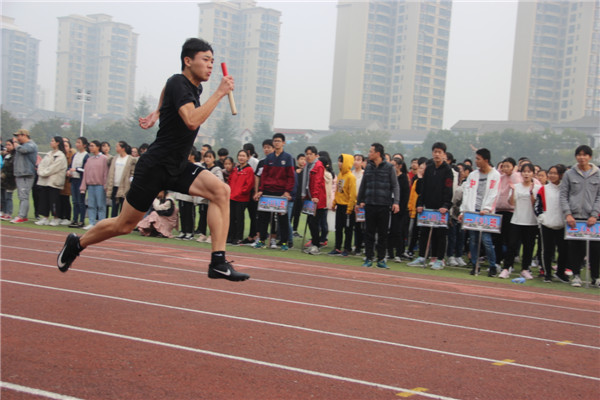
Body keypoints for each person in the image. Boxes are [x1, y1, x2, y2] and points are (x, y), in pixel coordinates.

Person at [57, 38, 249, 281]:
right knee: (124, 225)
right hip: (155, 166)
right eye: (205, 60)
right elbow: (191, 119)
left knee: (221, 191)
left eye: (212, 61)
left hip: (177, 166)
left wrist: (158, 110)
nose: (210, 66)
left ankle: (218, 262)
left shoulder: (192, 87)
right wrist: (220, 93)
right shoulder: (178, 82)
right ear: (188, 61)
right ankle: (77, 243)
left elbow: (167, 92)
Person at [560, 145, 600, 288]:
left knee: (595, 249)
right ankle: (576, 275)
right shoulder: (569, 174)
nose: (581, 157)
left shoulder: (598, 174)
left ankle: (595, 277)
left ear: (590, 157)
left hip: (593, 220)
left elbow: (599, 197)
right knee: (575, 249)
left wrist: (595, 215)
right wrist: (568, 214)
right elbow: (563, 195)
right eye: (579, 154)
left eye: (585, 155)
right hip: (574, 218)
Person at [408, 142, 453, 270]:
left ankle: (439, 259)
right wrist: (420, 204)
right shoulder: (429, 167)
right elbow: (423, 189)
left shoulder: (447, 170)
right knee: (424, 232)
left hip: (441, 208)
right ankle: (422, 256)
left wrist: (446, 205)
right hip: (427, 206)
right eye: (435, 152)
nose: (437, 154)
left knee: (440, 235)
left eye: (439, 152)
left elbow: (448, 189)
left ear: (444, 154)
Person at [356, 143, 400, 269]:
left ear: (378, 154)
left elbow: (395, 185)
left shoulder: (389, 167)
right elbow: (363, 185)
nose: (369, 154)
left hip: (384, 205)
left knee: (382, 234)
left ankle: (381, 259)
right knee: (368, 233)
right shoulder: (368, 167)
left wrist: (396, 202)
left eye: (371, 152)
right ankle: (369, 258)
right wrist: (359, 202)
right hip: (369, 204)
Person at [458, 148, 501, 276]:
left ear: (486, 160)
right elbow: (467, 193)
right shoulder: (473, 175)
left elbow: (495, 194)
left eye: (478, 159)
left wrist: (487, 209)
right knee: (473, 240)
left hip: (486, 213)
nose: (476, 161)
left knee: (486, 240)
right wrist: (464, 211)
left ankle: (493, 265)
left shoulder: (495, 175)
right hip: (472, 211)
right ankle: (475, 264)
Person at [499, 163, 541, 280]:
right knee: (512, 245)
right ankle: (507, 268)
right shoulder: (516, 186)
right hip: (516, 220)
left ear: (533, 173)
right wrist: (512, 191)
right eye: (524, 171)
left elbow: (536, 204)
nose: (526, 174)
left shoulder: (537, 187)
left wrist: (532, 192)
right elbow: (511, 203)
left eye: (529, 171)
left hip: (531, 222)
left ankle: (525, 269)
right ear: (521, 173)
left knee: (529, 247)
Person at [253, 133, 295, 250]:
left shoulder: (288, 158)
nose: (276, 143)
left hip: (281, 193)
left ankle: (284, 243)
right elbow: (264, 175)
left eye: (279, 141)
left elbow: (291, 177)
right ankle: (261, 240)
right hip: (267, 192)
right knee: (263, 218)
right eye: (275, 141)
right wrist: (261, 190)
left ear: (283, 143)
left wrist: (287, 192)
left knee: (282, 218)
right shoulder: (269, 158)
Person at [535, 164, 568, 283]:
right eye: (551, 173)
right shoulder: (543, 189)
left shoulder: (565, 189)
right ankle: (547, 273)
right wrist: (542, 217)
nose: (552, 175)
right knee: (547, 250)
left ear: (561, 175)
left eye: (555, 173)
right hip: (547, 224)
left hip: (562, 224)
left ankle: (560, 272)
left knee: (563, 250)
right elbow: (537, 206)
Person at [35, 136, 68, 226]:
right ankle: (45, 217)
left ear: (57, 143)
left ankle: (56, 218)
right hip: (44, 181)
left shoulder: (60, 156)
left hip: (54, 182)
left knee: (53, 201)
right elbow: (42, 164)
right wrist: (40, 171)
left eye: (53, 141)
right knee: (44, 200)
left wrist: (43, 173)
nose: (51, 142)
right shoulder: (49, 154)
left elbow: (53, 168)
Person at [328, 154, 357, 257]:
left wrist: (349, 208)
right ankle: (337, 247)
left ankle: (347, 248)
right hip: (339, 206)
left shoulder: (351, 177)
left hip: (347, 208)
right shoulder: (340, 175)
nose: (339, 163)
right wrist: (334, 203)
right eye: (339, 161)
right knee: (338, 228)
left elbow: (352, 195)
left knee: (348, 229)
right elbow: (338, 191)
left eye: (341, 161)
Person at [301, 146, 327, 255]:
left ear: (316, 155)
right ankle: (314, 243)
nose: (308, 156)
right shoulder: (308, 166)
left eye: (310, 154)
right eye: (306, 154)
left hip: (317, 200)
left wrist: (315, 196)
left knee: (314, 222)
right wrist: (305, 194)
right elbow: (306, 182)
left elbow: (317, 182)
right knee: (311, 222)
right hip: (309, 198)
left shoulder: (318, 166)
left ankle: (316, 245)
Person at [80, 140, 109, 230]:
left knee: (101, 205)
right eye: (90, 146)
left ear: (98, 147)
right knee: (91, 205)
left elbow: (106, 173)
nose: (90, 147)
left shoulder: (104, 158)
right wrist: (83, 187)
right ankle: (92, 222)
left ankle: (101, 223)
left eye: (92, 146)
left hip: (100, 185)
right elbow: (85, 173)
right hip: (91, 185)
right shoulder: (89, 159)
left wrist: (105, 185)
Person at [11, 129, 38, 223]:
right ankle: (23, 215)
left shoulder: (31, 145)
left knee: (24, 196)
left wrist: (15, 144)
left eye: (18, 136)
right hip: (20, 174)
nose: (17, 138)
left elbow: (24, 150)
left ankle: (21, 216)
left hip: (27, 174)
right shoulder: (21, 146)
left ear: (24, 135)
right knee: (21, 196)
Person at [228, 149, 255, 244]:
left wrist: (240, 193)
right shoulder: (235, 169)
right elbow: (230, 181)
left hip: (241, 198)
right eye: (240, 155)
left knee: (239, 218)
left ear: (247, 158)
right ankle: (230, 236)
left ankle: (238, 237)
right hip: (231, 197)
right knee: (231, 218)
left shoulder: (249, 170)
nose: (241, 157)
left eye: (243, 156)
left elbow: (249, 185)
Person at [105, 141, 137, 218]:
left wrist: (130, 182)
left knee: (123, 208)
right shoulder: (114, 158)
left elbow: (132, 173)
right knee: (114, 207)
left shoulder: (130, 159)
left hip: (124, 187)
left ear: (123, 148)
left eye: (117, 146)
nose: (116, 148)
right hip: (114, 186)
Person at [68, 137, 89, 228]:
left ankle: (81, 220)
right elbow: (70, 165)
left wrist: (76, 169)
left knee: (81, 201)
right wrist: (69, 170)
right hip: (74, 179)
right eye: (76, 142)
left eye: (79, 142)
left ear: (84, 145)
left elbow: (85, 169)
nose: (77, 144)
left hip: (81, 180)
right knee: (75, 201)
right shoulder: (75, 155)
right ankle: (75, 219)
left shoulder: (86, 156)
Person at [57, 138, 75, 225]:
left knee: (66, 199)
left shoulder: (71, 155)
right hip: (60, 179)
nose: (65, 147)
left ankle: (67, 217)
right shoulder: (60, 154)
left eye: (66, 146)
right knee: (59, 199)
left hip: (67, 181)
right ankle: (60, 216)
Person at [1, 139, 17, 220]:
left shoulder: (15, 156)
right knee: (3, 197)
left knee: (8, 197)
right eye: (6, 145)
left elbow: (12, 168)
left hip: (10, 180)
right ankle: (4, 211)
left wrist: (5, 174)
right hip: (4, 180)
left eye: (9, 145)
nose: (7, 146)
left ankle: (9, 213)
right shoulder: (7, 156)